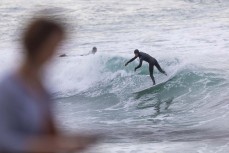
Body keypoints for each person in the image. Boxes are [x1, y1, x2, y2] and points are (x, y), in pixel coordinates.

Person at [0, 17, 97, 152]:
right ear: (37, 46)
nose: (55, 52)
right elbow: (4, 139)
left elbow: (51, 135)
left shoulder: (43, 88)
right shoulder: (7, 87)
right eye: (53, 46)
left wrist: (72, 141)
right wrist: (53, 145)